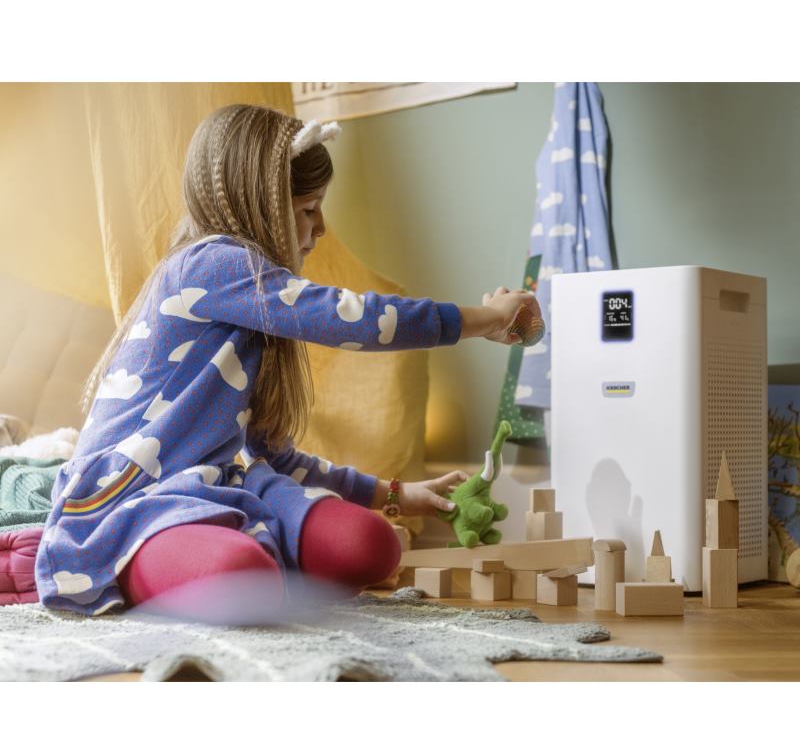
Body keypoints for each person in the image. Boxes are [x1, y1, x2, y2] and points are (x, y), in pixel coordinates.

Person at [34, 104, 541, 617]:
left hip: (219, 484)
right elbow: (358, 320)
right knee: (241, 577)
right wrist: (485, 318)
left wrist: (395, 494)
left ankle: (244, 557)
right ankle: (170, 560)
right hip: (136, 496)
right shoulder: (209, 264)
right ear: (262, 205)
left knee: (373, 545)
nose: (320, 228)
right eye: (308, 209)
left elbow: (271, 453)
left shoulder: (250, 307)